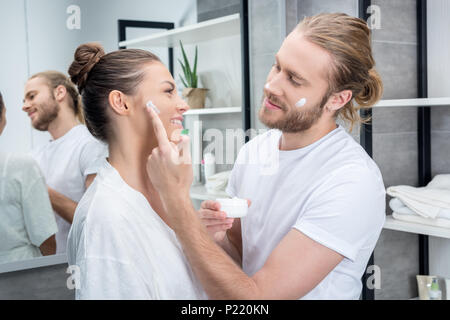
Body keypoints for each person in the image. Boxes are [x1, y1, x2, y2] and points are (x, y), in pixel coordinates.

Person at [145, 13, 386, 299]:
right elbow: (240, 257)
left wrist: (175, 199)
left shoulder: (351, 181)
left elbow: (258, 298)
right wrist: (216, 239)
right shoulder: (254, 151)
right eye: (277, 66)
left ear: (337, 99)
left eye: (294, 79)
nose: (271, 84)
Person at [66, 43, 207, 299]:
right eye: (169, 91)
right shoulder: (107, 218)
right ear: (121, 102)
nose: (183, 105)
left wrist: (211, 238)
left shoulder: (163, 197)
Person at [22, 71, 107, 254]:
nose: (25, 106)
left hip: (83, 269)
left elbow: (96, 222)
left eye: (32, 96)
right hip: (48, 271)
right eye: (24, 100)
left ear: (59, 93)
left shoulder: (91, 145)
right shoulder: (34, 156)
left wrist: (41, 191)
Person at [0, 91, 57, 264]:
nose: (26, 105)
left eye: (31, 96)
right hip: (19, 275)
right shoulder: (20, 165)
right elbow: (46, 240)